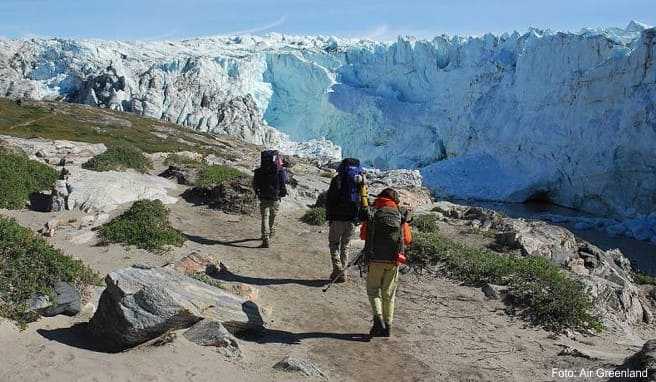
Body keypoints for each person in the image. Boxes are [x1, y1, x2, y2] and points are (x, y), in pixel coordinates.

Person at [360, 188, 412, 338]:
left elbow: (363, 235)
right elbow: (408, 239)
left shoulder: (374, 212)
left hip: (375, 258)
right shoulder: (399, 214)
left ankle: (378, 320)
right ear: (395, 200)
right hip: (394, 260)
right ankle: (387, 326)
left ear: (380, 198)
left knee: (373, 291)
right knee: (389, 294)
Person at [325, 158, 368, 283]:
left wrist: (329, 216)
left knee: (334, 244)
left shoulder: (337, 179)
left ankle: (338, 268)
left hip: (337, 218)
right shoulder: (360, 181)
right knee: (345, 245)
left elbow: (330, 199)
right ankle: (343, 272)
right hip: (352, 218)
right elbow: (363, 200)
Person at [253, 150, 288, 248]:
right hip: (275, 197)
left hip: (263, 196)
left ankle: (265, 238)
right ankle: (271, 231)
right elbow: (283, 184)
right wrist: (282, 193)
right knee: (272, 216)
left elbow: (255, 184)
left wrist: (257, 193)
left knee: (264, 217)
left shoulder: (259, 171)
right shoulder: (278, 170)